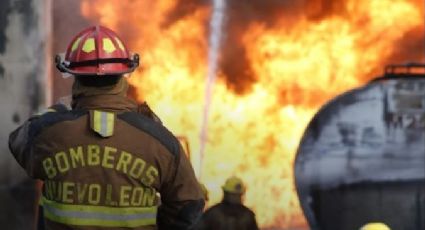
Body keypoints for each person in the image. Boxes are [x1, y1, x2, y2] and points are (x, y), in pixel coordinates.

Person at [8, 25, 204, 230]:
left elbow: (18, 142)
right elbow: (190, 203)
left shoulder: (47, 133)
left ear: (75, 77)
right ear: (124, 76)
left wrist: (60, 110)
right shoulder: (158, 139)